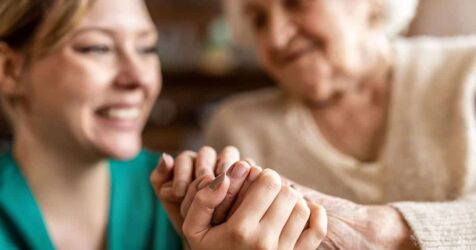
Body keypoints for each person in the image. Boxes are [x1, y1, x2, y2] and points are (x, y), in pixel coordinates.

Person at [0, 0, 327, 249]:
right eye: (97, 47)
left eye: (147, 48)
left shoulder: (195, 203)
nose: (139, 77)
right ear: (11, 70)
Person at [205, 0, 476, 248]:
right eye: (259, 21)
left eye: (296, 3)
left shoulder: (468, 71)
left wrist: (374, 230)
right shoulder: (240, 128)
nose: (276, 37)